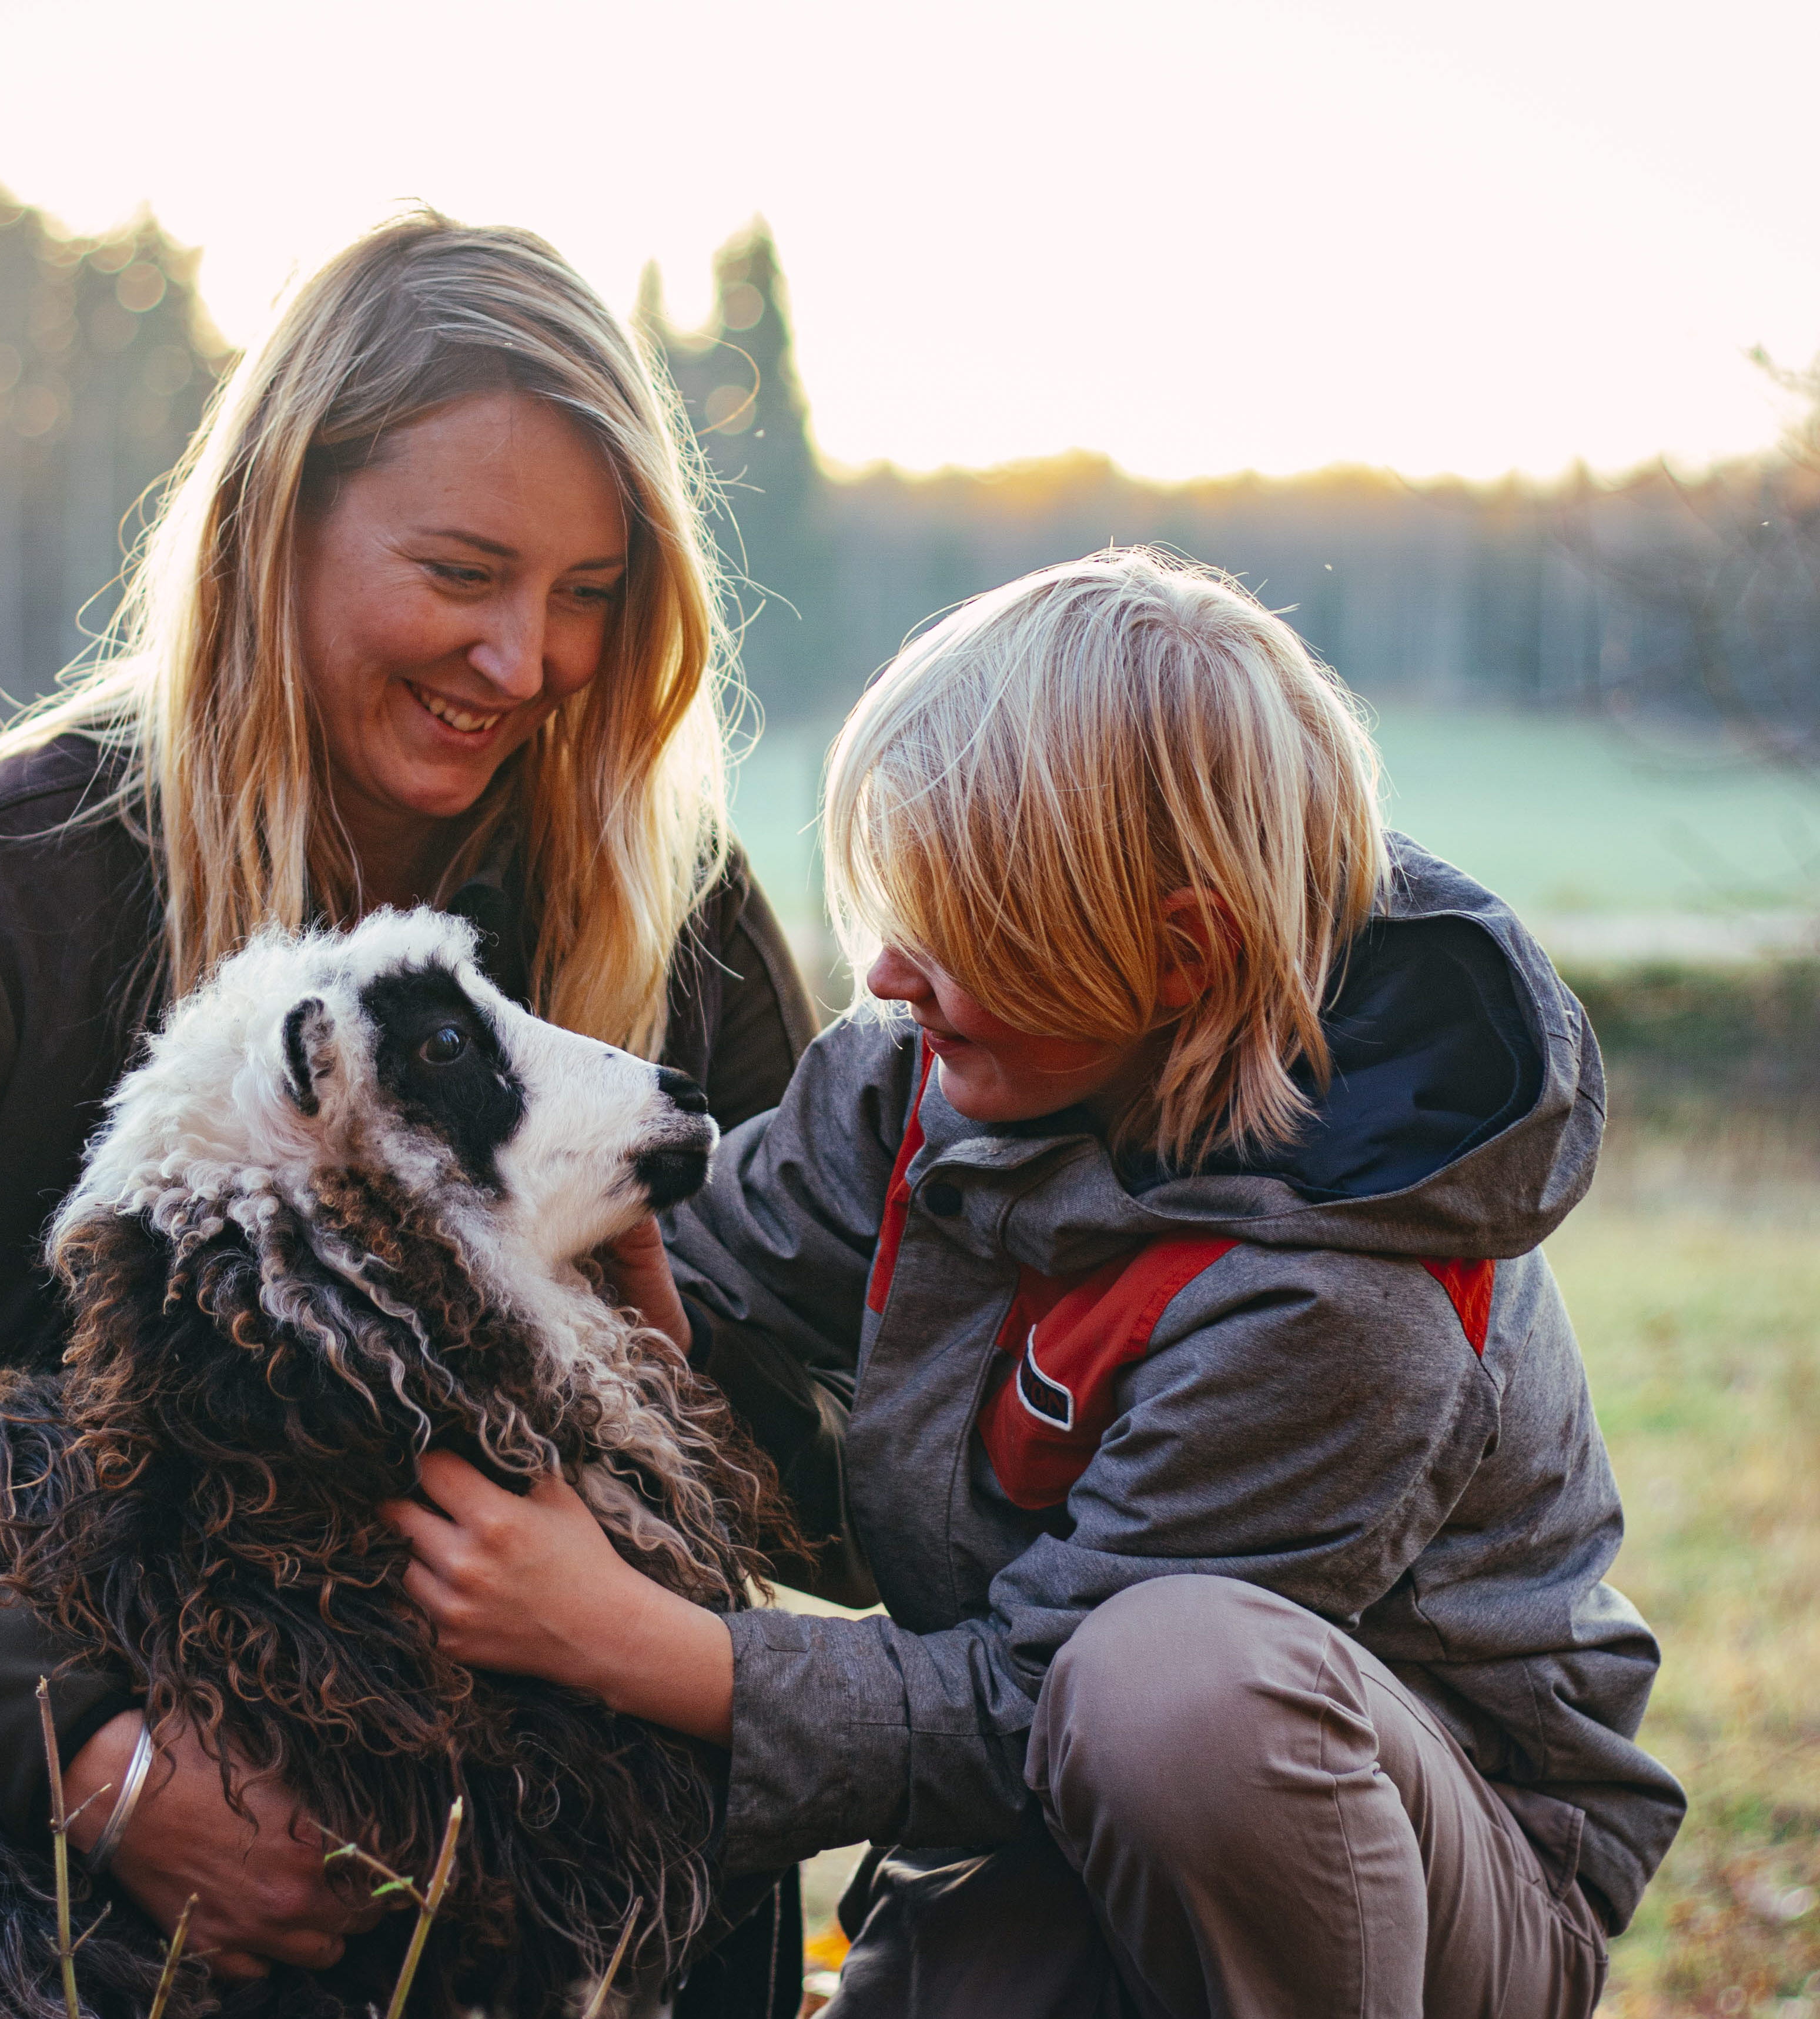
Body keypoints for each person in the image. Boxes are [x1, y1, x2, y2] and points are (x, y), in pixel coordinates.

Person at [0, 212, 819, 2001]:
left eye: (590, 596)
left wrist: (698, 1387)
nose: (525, 662)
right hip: (31, 1867)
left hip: (566, 1839)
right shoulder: (6, 888)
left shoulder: (669, 906)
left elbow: (844, 1452)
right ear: (276, 526)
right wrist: (89, 1759)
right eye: (462, 572)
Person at [386, 548, 1686, 2018]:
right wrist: (630, 1316)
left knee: (1174, 1686)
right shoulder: (925, 1075)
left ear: (1179, 953)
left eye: (965, 925)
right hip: (1053, 1813)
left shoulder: (1350, 1300)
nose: (885, 973)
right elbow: (694, 1291)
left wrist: (631, 1645)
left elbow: (1030, 1702)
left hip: (1427, 1870)